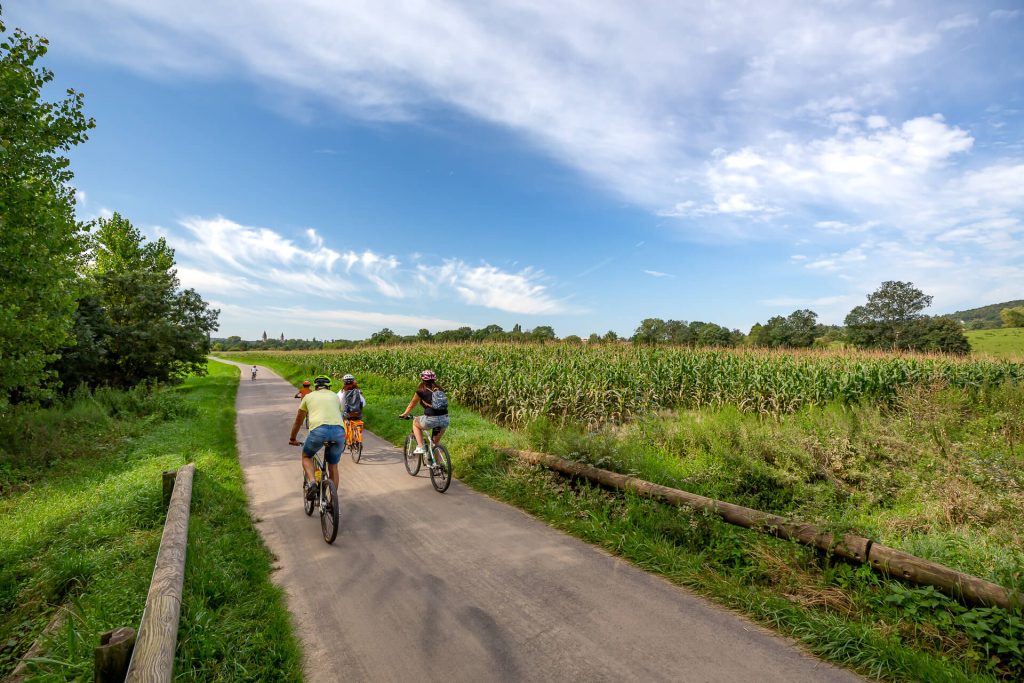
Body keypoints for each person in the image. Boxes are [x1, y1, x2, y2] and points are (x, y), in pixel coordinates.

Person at [289, 375, 345, 498]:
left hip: (318, 431)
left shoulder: (308, 397)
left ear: (315, 387)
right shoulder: (335, 397)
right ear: (329, 386)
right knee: (333, 465)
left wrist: (293, 438)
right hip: (339, 432)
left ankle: (313, 483)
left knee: (306, 456)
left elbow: (299, 420)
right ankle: (332, 500)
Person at [399, 370, 449, 457]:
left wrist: (405, 414)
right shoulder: (440, 389)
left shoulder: (421, 390)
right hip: (445, 419)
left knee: (415, 423)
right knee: (435, 444)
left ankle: (420, 446)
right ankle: (439, 466)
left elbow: (412, 404)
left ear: (422, 379)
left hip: (431, 419)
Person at [337, 374, 366, 446]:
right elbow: (364, 403)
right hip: (358, 414)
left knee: (341, 419)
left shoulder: (341, 392)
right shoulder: (358, 391)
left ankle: (345, 437)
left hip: (347, 414)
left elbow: (338, 403)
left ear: (344, 383)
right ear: (353, 382)